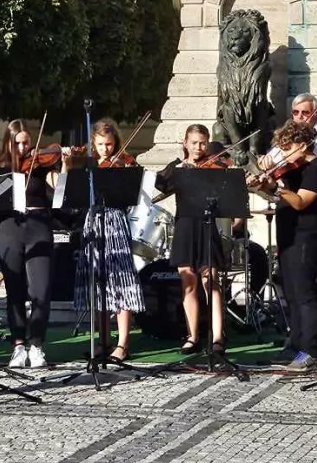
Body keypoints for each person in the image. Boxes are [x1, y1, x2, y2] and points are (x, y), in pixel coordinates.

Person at [257, 120, 317, 371]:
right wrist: (263, 186)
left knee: (305, 293)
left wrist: (277, 187)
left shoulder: (316, 170)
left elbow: (300, 201)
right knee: (290, 292)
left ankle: (310, 349)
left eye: (287, 148)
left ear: (303, 145)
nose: (283, 154)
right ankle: (294, 343)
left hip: (307, 236)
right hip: (287, 235)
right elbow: (276, 193)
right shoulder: (289, 170)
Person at [71, 118, 146, 361]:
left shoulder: (123, 164)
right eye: (102, 145)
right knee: (98, 283)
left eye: (111, 145)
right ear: (93, 142)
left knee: (120, 282)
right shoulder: (87, 165)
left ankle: (122, 343)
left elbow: (132, 193)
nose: (107, 150)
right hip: (93, 223)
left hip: (115, 222)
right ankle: (102, 341)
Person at [156, 124, 228, 356]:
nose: (199, 147)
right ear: (185, 143)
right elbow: (161, 183)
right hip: (185, 226)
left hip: (207, 226)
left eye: (203, 143)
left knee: (211, 282)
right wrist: (178, 166)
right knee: (189, 284)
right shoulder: (178, 168)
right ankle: (192, 336)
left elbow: (227, 190)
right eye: (194, 142)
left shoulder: (213, 167)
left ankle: (217, 336)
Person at [0, 119, 58, 369]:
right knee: (14, 291)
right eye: (17, 143)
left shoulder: (41, 166)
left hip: (38, 224)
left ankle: (36, 344)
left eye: (26, 143)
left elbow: (57, 192)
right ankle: (18, 345)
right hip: (9, 227)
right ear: (8, 144)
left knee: (41, 291)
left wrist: (62, 163)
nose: (23, 148)